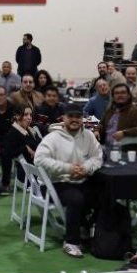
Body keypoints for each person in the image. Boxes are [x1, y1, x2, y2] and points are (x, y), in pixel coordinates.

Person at [32, 107, 103, 258]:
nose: (74, 120)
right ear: (63, 118)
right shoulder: (52, 137)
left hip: (81, 180)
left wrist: (85, 168)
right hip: (55, 183)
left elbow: (97, 157)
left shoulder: (89, 136)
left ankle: (87, 228)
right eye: (71, 116)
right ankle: (71, 242)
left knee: (104, 194)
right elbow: (39, 159)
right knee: (76, 199)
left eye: (78, 116)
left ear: (82, 119)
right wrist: (67, 168)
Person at [0, 106, 41, 191]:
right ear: (17, 116)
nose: (29, 117)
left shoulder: (30, 130)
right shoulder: (13, 133)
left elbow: (40, 144)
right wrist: (25, 148)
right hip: (29, 174)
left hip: (37, 168)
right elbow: (7, 154)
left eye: (30, 115)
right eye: (26, 115)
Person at [98, 82, 137, 153]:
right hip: (106, 148)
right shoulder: (110, 111)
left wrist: (124, 133)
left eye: (123, 92)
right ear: (113, 97)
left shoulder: (136, 111)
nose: (120, 95)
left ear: (129, 95)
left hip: (126, 151)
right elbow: (101, 124)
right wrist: (97, 130)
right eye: (117, 93)